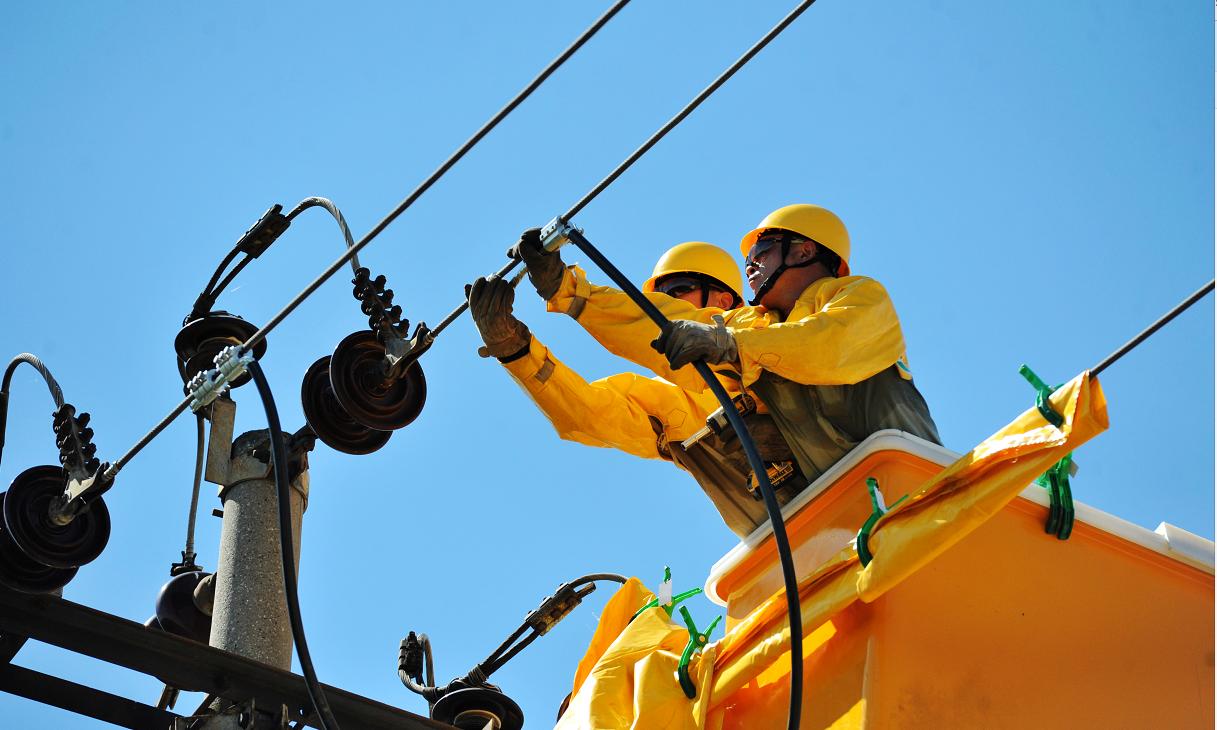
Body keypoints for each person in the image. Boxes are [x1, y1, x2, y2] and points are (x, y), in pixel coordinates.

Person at [510, 204, 942, 517]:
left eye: (764, 249)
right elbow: (657, 329)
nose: (750, 263)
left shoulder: (857, 297)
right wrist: (561, 297)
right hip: (812, 517)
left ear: (806, 251)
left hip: (905, 484)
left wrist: (728, 345)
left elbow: (828, 345)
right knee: (721, 405)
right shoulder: (747, 330)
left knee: (757, 362)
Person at [468, 241, 782, 536]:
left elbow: (667, 322)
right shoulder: (668, 400)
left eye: (676, 290)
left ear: (723, 300)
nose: (663, 303)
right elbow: (590, 414)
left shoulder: (759, 329)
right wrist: (515, 351)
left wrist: (569, 291)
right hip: (776, 530)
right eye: (658, 296)